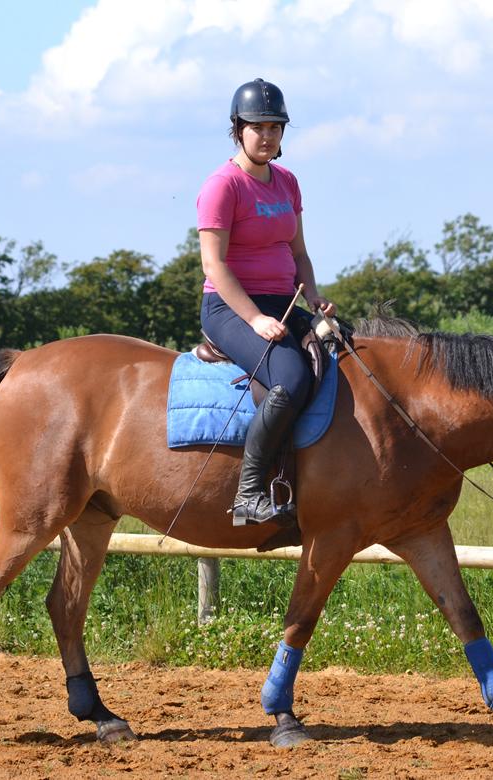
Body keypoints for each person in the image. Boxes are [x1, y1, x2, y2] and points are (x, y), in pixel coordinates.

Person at [197, 77, 337, 527]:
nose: (268, 135)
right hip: (230, 307)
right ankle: (249, 492)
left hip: (284, 301)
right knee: (291, 377)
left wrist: (313, 297)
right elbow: (215, 266)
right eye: (258, 127)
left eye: (276, 127)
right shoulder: (223, 186)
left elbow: (299, 254)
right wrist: (255, 318)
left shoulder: (287, 182)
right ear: (238, 129)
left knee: (346, 348)